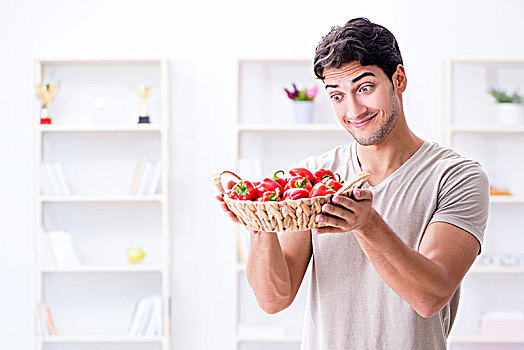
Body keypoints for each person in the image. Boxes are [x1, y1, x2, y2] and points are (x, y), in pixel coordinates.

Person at [217, 17, 489, 350]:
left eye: (364, 88)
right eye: (337, 96)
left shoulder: (456, 177)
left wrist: (367, 224)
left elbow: (430, 297)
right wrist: (261, 220)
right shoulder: (314, 176)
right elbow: (274, 299)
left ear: (398, 79)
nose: (353, 109)